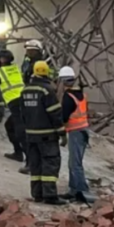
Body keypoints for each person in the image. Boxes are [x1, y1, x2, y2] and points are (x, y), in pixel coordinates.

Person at [21, 61, 67, 205]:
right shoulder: (47, 90)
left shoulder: (25, 90)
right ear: (47, 73)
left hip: (31, 135)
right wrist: (62, 133)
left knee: (36, 165)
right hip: (47, 135)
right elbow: (54, 113)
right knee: (50, 163)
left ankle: (37, 194)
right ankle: (50, 196)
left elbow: (22, 114)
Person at [58, 66, 94, 204]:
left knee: (75, 164)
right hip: (83, 131)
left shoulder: (68, 97)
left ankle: (81, 191)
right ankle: (74, 190)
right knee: (74, 162)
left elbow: (64, 117)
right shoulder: (81, 94)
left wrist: (59, 130)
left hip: (76, 132)